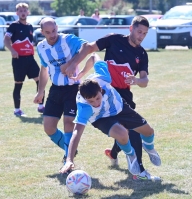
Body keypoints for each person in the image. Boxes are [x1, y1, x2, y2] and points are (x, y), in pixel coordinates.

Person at [62, 16, 161, 181]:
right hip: (103, 90)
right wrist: (74, 64)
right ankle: (139, 172)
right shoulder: (114, 40)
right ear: (131, 28)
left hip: (121, 97)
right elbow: (89, 48)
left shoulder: (142, 54)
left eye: (144, 33)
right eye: (139, 32)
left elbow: (145, 81)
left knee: (131, 131)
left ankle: (115, 153)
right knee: (128, 132)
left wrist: (137, 81)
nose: (141, 36)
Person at [33, 17, 87, 173]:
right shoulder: (41, 47)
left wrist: (72, 63)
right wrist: (41, 90)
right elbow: (44, 69)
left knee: (69, 122)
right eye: (48, 32)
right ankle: (70, 149)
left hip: (73, 88)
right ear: (42, 32)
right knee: (49, 127)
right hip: (55, 89)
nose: (52, 35)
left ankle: (67, 159)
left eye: (54, 30)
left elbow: (87, 47)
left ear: (57, 27)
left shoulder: (68, 39)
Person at [4, 2, 44, 117]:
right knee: (18, 84)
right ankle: (17, 110)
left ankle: (41, 106)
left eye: (24, 11)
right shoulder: (13, 26)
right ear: (17, 13)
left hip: (30, 59)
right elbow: (6, 40)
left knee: (40, 81)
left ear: (28, 12)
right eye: (20, 11)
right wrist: (12, 50)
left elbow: (30, 42)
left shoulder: (30, 26)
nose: (23, 13)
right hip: (19, 60)